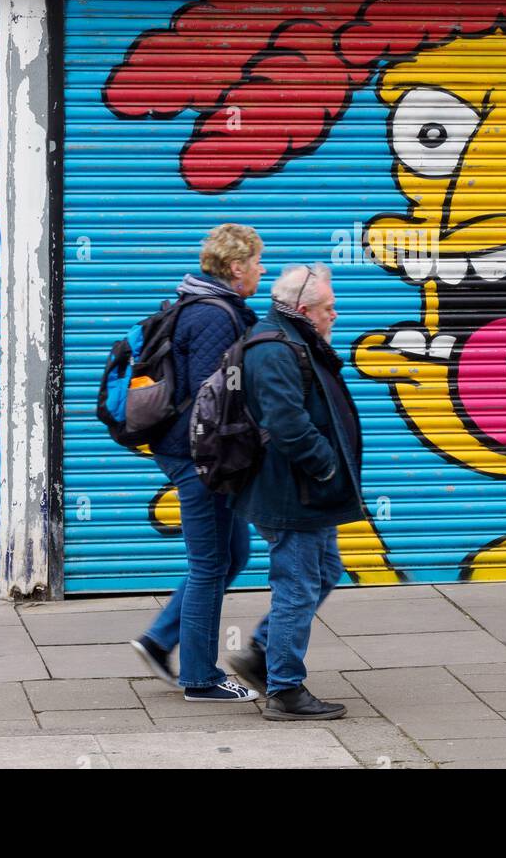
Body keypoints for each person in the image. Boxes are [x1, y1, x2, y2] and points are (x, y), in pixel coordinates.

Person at [129, 224, 265, 702]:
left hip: (190, 450)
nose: (261, 271)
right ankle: (201, 678)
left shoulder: (208, 306)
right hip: (198, 455)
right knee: (210, 564)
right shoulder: (214, 316)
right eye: (256, 263)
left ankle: (158, 639)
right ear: (235, 267)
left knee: (234, 556)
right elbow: (215, 399)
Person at [226, 263, 364, 720]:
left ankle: (262, 652)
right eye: (330, 308)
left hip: (306, 491)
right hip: (292, 493)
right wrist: (325, 465)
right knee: (298, 586)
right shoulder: (275, 348)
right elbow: (286, 424)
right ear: (304, 309)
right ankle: (285, 690)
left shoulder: (295, 339)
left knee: (324, 572)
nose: (335, 316)